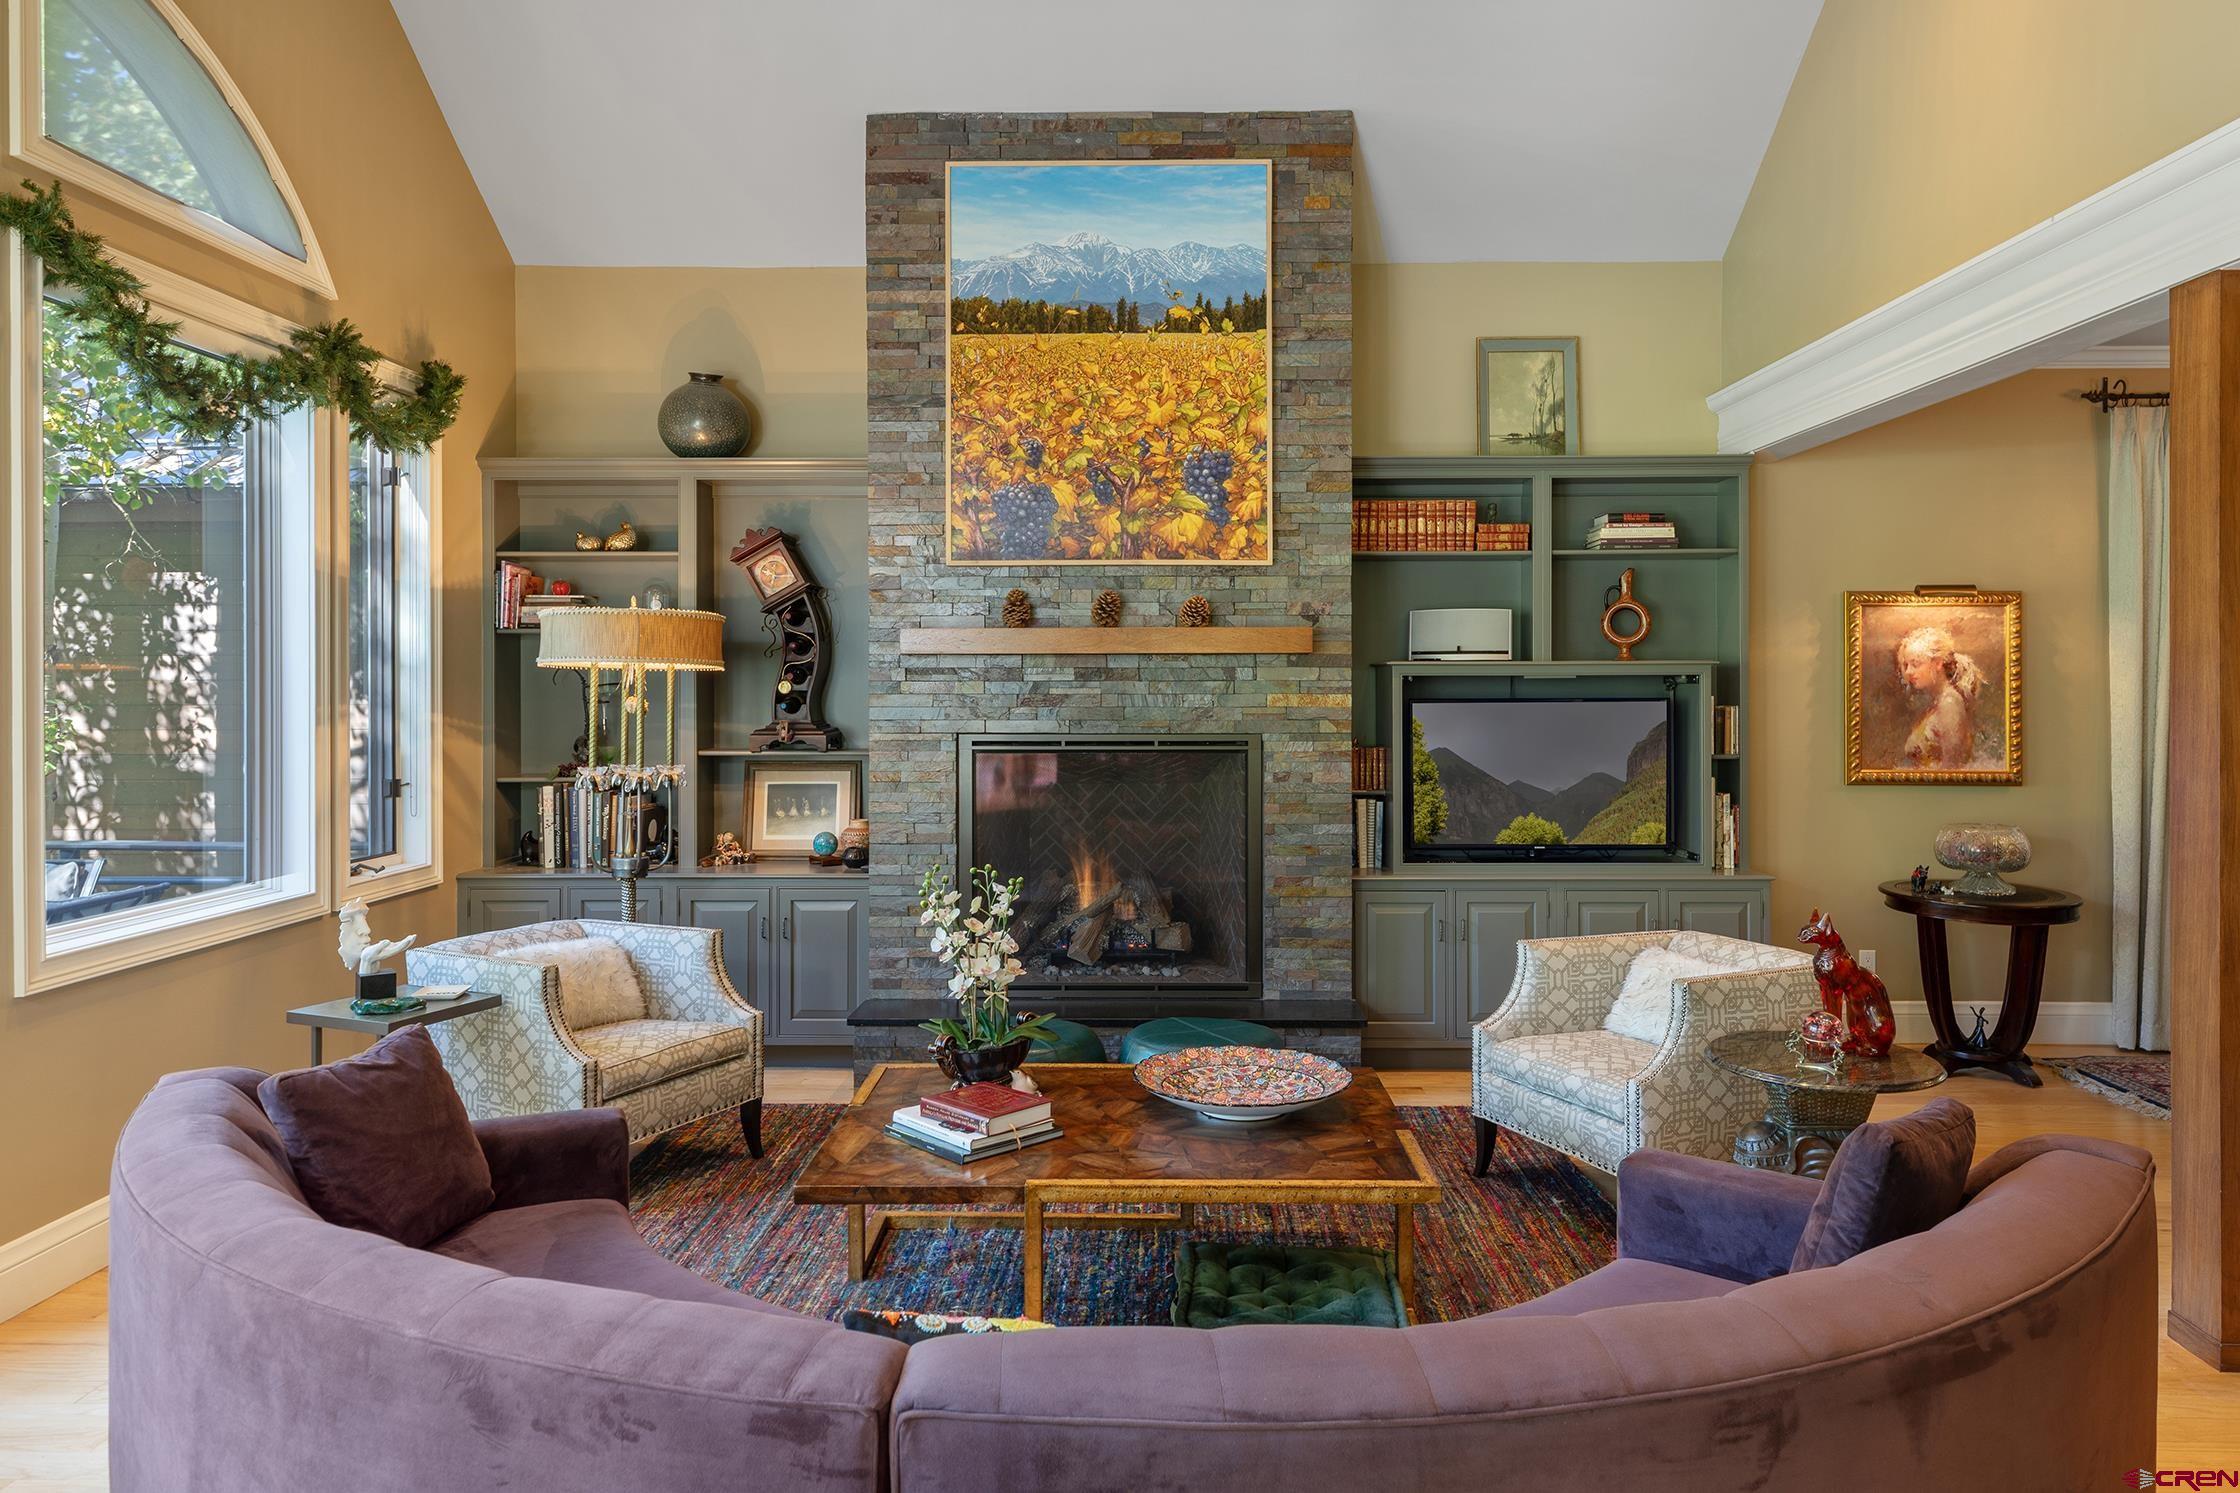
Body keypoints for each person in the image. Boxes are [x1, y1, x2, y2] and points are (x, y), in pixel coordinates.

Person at [1895, 624, 1986, 769]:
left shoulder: (1949, 703)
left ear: (1938, 664)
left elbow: (1952, 768)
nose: (1909, 672)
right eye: (1906, 665)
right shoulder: (1938, 702)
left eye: (1915, 664)